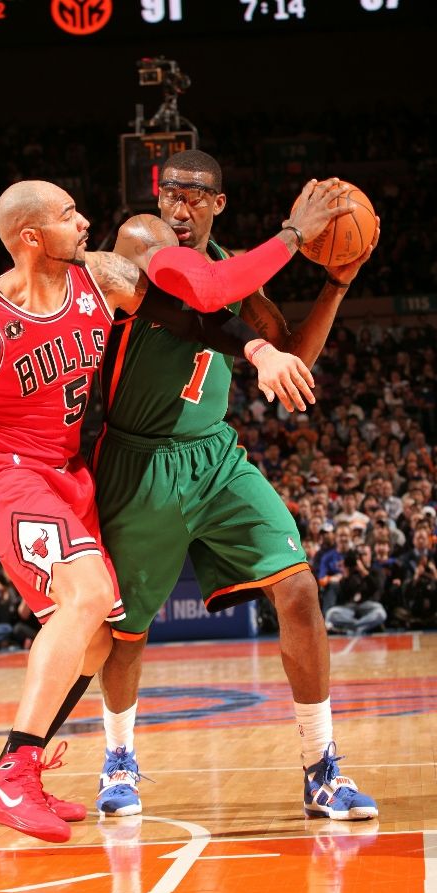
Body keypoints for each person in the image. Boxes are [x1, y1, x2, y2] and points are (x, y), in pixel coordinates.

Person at [0, 177, 348, 843]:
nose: (86, 220)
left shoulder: (101, 278)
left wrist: (261, 349)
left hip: (68, 473)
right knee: (91, 596)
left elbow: (194, 316)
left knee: (98, 633)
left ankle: (22, 773)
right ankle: (11, 772)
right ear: (33, 238)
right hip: (1, 475)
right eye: (70, 214)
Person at [93, 151, 380, 822]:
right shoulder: (142, 238)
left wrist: (337, 283)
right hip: (140, 461)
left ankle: (321, 767)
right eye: (172, 195)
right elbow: (203, 293)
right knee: (127, 631)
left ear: (218, 204)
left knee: (300, 589)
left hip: (215, 457)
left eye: (195, 197)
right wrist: (293, 234)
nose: (180, 208)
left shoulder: (235, 268)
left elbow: (294, 355)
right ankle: (119, 759)